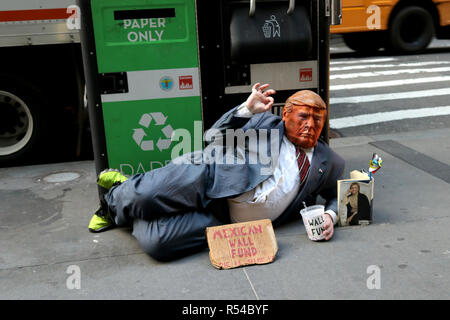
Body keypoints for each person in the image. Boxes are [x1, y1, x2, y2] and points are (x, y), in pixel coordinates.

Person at [88, 83, 345, 261]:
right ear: (286, 113)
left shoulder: (329, 160)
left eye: (318, 119)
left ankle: (131, 189)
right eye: (303, 116)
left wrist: (330, 216)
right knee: (142, 198)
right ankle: (112, 204)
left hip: (226, 219)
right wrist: (246, 110)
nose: (310, 125)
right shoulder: (266, 122)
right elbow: (214, 136)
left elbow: (339, 195)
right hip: (209, 175)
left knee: (157, 244)